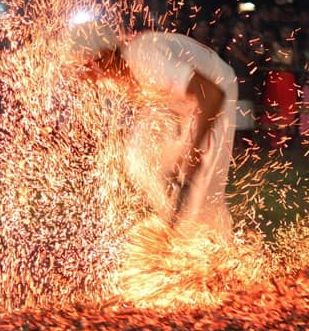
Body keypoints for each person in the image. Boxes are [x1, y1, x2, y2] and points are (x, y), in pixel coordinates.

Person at [71, 20, 237, 237]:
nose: (85, 78)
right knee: (140, 158)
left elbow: (212, 94)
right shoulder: (118, 69)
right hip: (176, 103)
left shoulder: (145, 59)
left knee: (202, 188)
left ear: (102, 57)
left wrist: (193, 152)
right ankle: (170, 221)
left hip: (214, 91)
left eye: (85, 68)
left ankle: (210, 243)